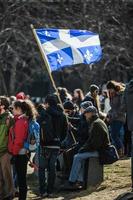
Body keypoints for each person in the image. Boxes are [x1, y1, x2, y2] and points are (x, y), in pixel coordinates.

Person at [64, 106, 110, 190]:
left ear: (91, 113)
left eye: (86, 113)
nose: (85, 115)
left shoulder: (96, 124)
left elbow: (95, 144)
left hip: (101, 151)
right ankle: (80, 181)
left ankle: (72, 181)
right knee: (80, 156)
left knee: (77, 157)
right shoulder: (96, 122)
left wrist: (84, 149)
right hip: (99, 149)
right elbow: (91, 141)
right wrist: (84, 148)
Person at [38, 95, 67, 198]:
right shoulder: (62, 115)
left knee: (41, 168)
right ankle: (50, 191)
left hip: (44, 145)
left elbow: (39, 129)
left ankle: (43, 191)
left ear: (47, 104)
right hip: (56, 145)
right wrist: (59, 140)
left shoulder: (43, 114)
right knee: (52, 168)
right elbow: (65, 131)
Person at [8, 100, 38, 200]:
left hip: (20, 153)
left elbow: (19, 140)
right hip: (21, 152)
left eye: (13, 108)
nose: (12, 110)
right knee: (21, 178)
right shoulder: (21, 120)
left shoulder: (21, 122)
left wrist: (14, 154)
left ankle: (22, 198)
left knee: (21, 179)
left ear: (19, 109)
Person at [106, 80, 126, 156]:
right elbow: (112, 108)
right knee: (113, 135)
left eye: (110, 89)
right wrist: (108, 114)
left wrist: (113, 116)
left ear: (113, 87)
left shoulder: (120, 94)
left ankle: (121, 150)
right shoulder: (111, 95)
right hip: (113, 118)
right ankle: (119, 152)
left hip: (119, 118)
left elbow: (121, 108)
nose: (109, 91)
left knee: (114, 135)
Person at [0, 96, 14, 200]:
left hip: (5, 151)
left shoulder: (10, 117)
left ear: (3, 105)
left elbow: (13, 135)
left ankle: (9, 194)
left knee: (7, 174)